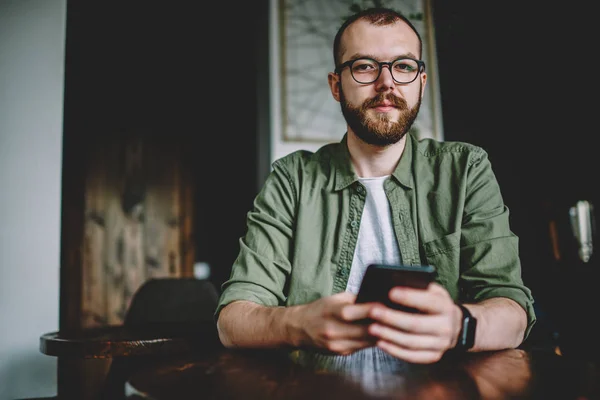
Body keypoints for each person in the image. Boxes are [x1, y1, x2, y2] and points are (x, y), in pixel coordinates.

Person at [215, 6, 536, 365]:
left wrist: (457, 326)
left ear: (421, 82)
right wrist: (297, 324)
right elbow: (232, 322)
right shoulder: (292, 179)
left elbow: (513, 313)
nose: (387, 83)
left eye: (403, 66)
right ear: (337, 86)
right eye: (365, 66)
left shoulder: (465, 169)